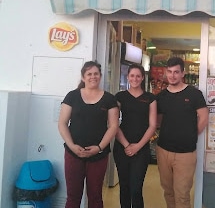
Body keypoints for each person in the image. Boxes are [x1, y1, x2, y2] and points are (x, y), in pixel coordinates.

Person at [58, 61, 119, 208]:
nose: (93, 77)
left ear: (100, 76)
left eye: (96, 74)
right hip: (73, 154)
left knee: (95, 196)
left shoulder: (109, 99)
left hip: (98, 155)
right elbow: (62, 123)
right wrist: (72, 146)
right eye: (89, 74)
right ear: (83, 77)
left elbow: (113, 126)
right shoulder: (72, 96)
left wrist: (99, 147)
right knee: (73, 196)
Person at [155, 56, 209, 208]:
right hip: (163, 150)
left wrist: (191, 133)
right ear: (166, 73)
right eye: (170, 72)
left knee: (182, 194)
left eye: (176, 72)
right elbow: (157, 120)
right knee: (168, 191)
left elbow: (204, 117)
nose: (172, 75)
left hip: (185, 154)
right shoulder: (161, 97)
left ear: (183, 73)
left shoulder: (194, 94)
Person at [113, 64, 157, 208]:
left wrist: (137, 146)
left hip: (142, 148)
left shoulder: (150, 98)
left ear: (142, 77)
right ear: (128, 77)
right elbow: (113, 124)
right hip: (121, 147)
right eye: (132, 76)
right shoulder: (120, 97)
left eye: (138, 76)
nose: (135, 79)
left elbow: (152, 125)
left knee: (136, 189)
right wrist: (126, 145)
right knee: (124, 187)